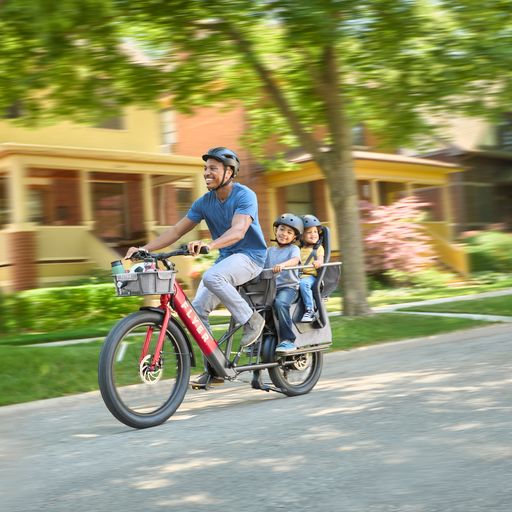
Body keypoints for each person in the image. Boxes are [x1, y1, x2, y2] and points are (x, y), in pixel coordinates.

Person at [125, 147, 267, 387]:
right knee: (197, 310)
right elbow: (176, 230)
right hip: (227, 259)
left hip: (250, 257)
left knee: (212, 277)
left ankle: (252, 320)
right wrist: (145, 249)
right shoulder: (204, 202)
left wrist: (209, 245)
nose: (206, 173)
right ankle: (216, 368)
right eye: (205, 168)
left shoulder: (245, 195)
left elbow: (239, 230)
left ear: (229, 171)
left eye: (213, 168)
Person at [265, 213, 303, 353]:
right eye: (282, 229)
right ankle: (262, 339)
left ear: (294, 237)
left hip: (289, 287)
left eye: (289, 232)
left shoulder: (294, 249)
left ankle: (288, 340)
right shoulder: (269, 251)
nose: (284, 234)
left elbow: (295, 260)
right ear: (276, 230)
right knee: (257, 307)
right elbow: (261, 267)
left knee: (280, 303)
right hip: (271, 288)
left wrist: (283, 265)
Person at [299, 214, 325, 323]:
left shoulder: (318, 248)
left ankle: (310, 310)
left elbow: (321, 260)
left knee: (304, 284)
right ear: (302, 236)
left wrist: (318, 262)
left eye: (315, 232)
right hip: (299, 276)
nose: (313, 234)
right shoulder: (299, 249)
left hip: (312, 277)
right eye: (309, 232)